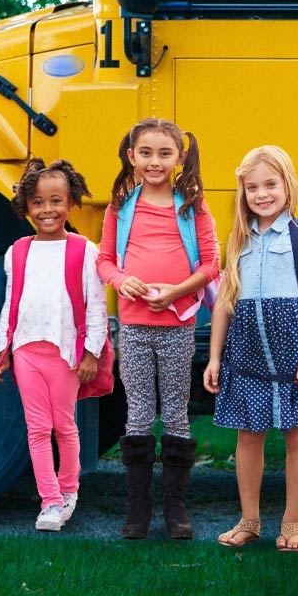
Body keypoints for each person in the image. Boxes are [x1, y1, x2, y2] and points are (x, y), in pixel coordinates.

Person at [203, 145, 298, 553]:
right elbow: (225, 301)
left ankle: (292, 524)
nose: (262, 194)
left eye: (270, 184)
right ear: (242, 192)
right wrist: (214, 356)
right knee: (248, 436)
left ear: (287, 185)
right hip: (247, 354)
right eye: (252, 187)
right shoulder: (238, 239)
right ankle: (250, 520)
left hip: (295, 353)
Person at [96, 117, 219, 540]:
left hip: (178, 324)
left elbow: (211, 265)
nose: (154, 161)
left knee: (177, 412)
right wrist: (121, 280)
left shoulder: (193, 206)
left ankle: (176, 510)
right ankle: (138, 512)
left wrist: (175, 292)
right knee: (139, 412)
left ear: (180, 158)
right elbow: (105, 260)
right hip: (133, 326)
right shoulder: (120, 207)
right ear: (131, 157)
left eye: (165, 153)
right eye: (145, 153)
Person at [0, 158, 107, 534]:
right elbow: (12, 302)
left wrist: (91, 351)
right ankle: (50, 500)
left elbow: (96, 305)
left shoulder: (84, 250)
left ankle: (69, 490)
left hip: (65, 354)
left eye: (56, 201)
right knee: (37, 429)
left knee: (64, 427)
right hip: (26, 351)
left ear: (71, 203)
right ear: (26, 207)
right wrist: (3, 351)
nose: (47, 210)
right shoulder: (17, 251)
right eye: (38, 203)